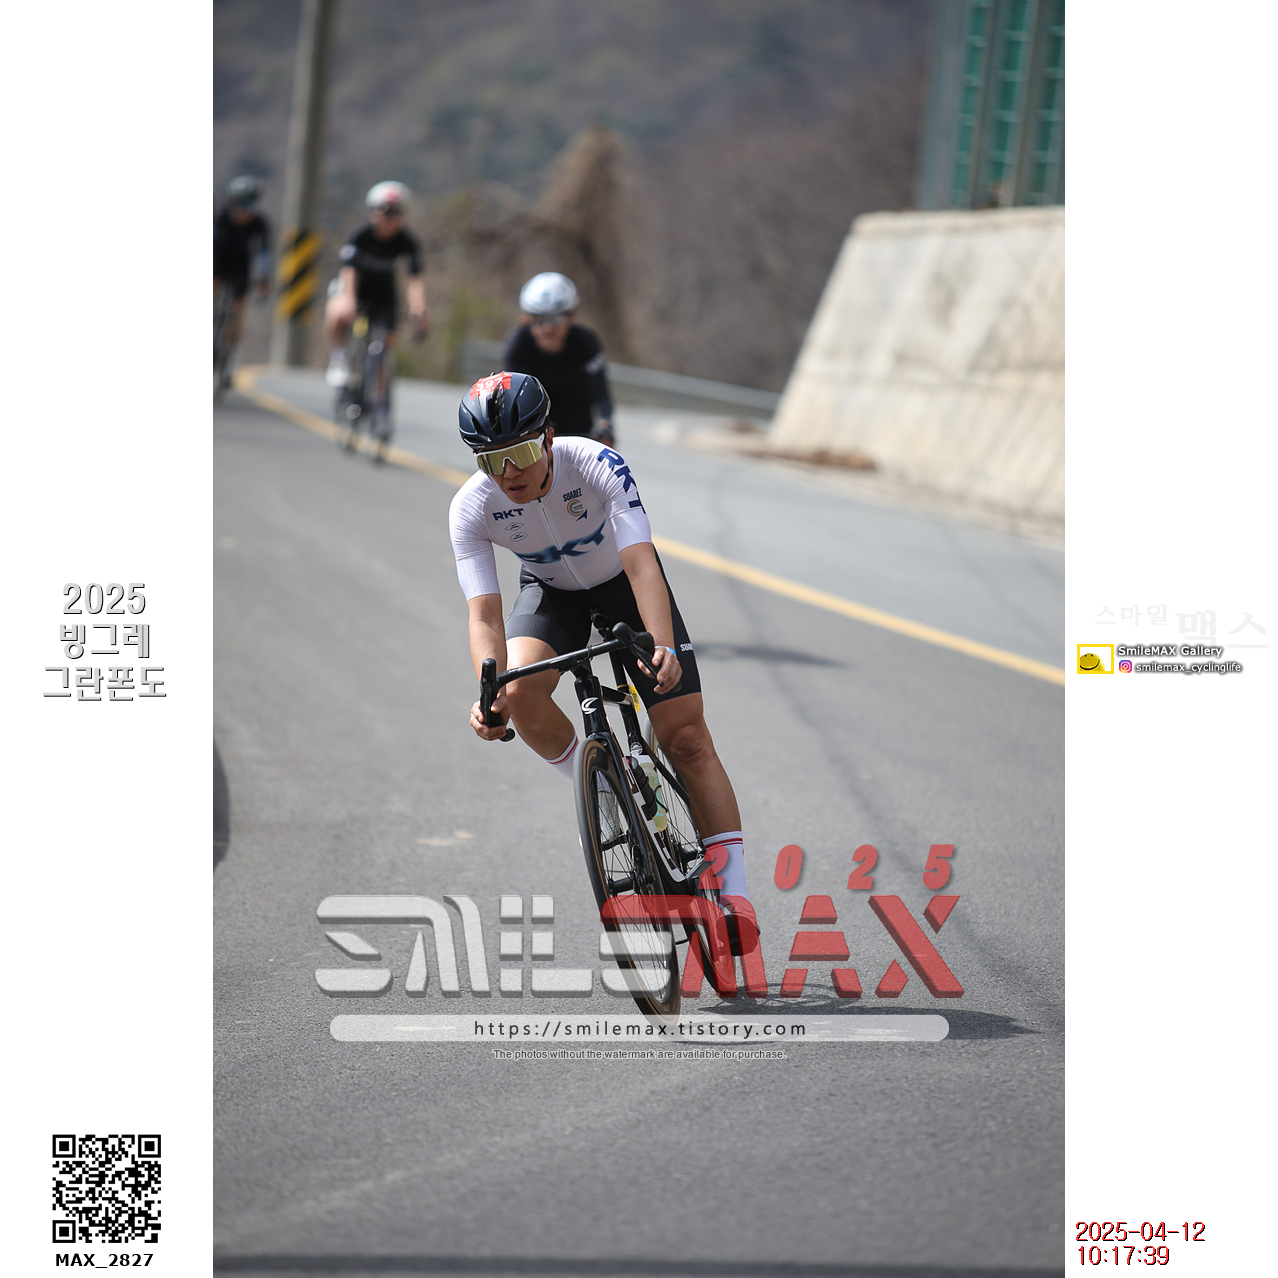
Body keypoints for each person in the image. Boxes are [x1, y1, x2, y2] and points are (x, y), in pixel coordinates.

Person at [448, 371, 750, 930]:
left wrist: (662, 645)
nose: (508, 472)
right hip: (551, 594)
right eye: (490, 460)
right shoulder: (471, 507)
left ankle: (733, 895)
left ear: (547, 437)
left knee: (685, 737)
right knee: (519, 691)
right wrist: (490, 695)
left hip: (624, 586)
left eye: (519, 453)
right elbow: (484, 614)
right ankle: (604, 790)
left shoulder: (594, 463)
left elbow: (641, 563)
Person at [324, 180, 429, 388]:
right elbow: (349, 270)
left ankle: (377, 392)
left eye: (396, 212)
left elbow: (415, 279)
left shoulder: (407, 242)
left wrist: (419, 308)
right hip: (355, 287)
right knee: (337, 313)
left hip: (384, 292)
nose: (390, 218)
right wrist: (349, 299)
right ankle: (339, 357)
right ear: (373, 212)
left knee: (389, 340)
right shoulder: (359, 236)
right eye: (385, 211)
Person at [502, 272, 615, 446]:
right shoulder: (517, 344)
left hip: (576, 417)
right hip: (534, 414)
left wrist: (605, 425)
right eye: (541, 320)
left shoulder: (586, 342)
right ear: (530, 320)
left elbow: (600, 392)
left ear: (570, 317)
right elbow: (509, 395)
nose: (548, 327)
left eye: (556, 320)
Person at [212, 176, 271, 386]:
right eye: (242, 206)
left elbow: (263, 252)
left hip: (240, 266)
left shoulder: (259, 223)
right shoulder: (220, 217)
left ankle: (229, 362)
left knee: (238, 310)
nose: (245, 213)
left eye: (250, 206)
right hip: (217, 261)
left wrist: (263, 278)